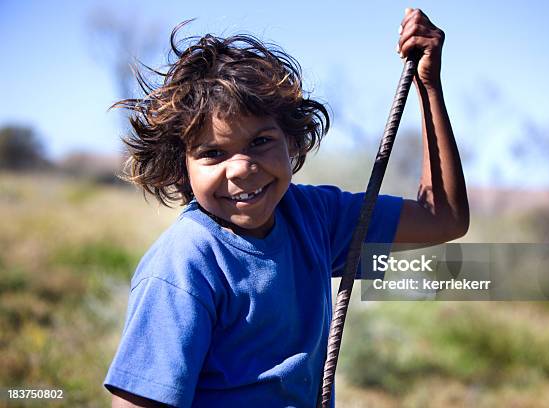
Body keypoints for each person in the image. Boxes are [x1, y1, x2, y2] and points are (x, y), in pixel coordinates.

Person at [104, 7, 469, 408]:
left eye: (260, 141)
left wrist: (428, 85)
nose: (242, 168)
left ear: (292, 142)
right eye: (212, 153)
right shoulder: (184, 265)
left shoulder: (313, 217)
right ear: (181, 167)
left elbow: (443, 218)